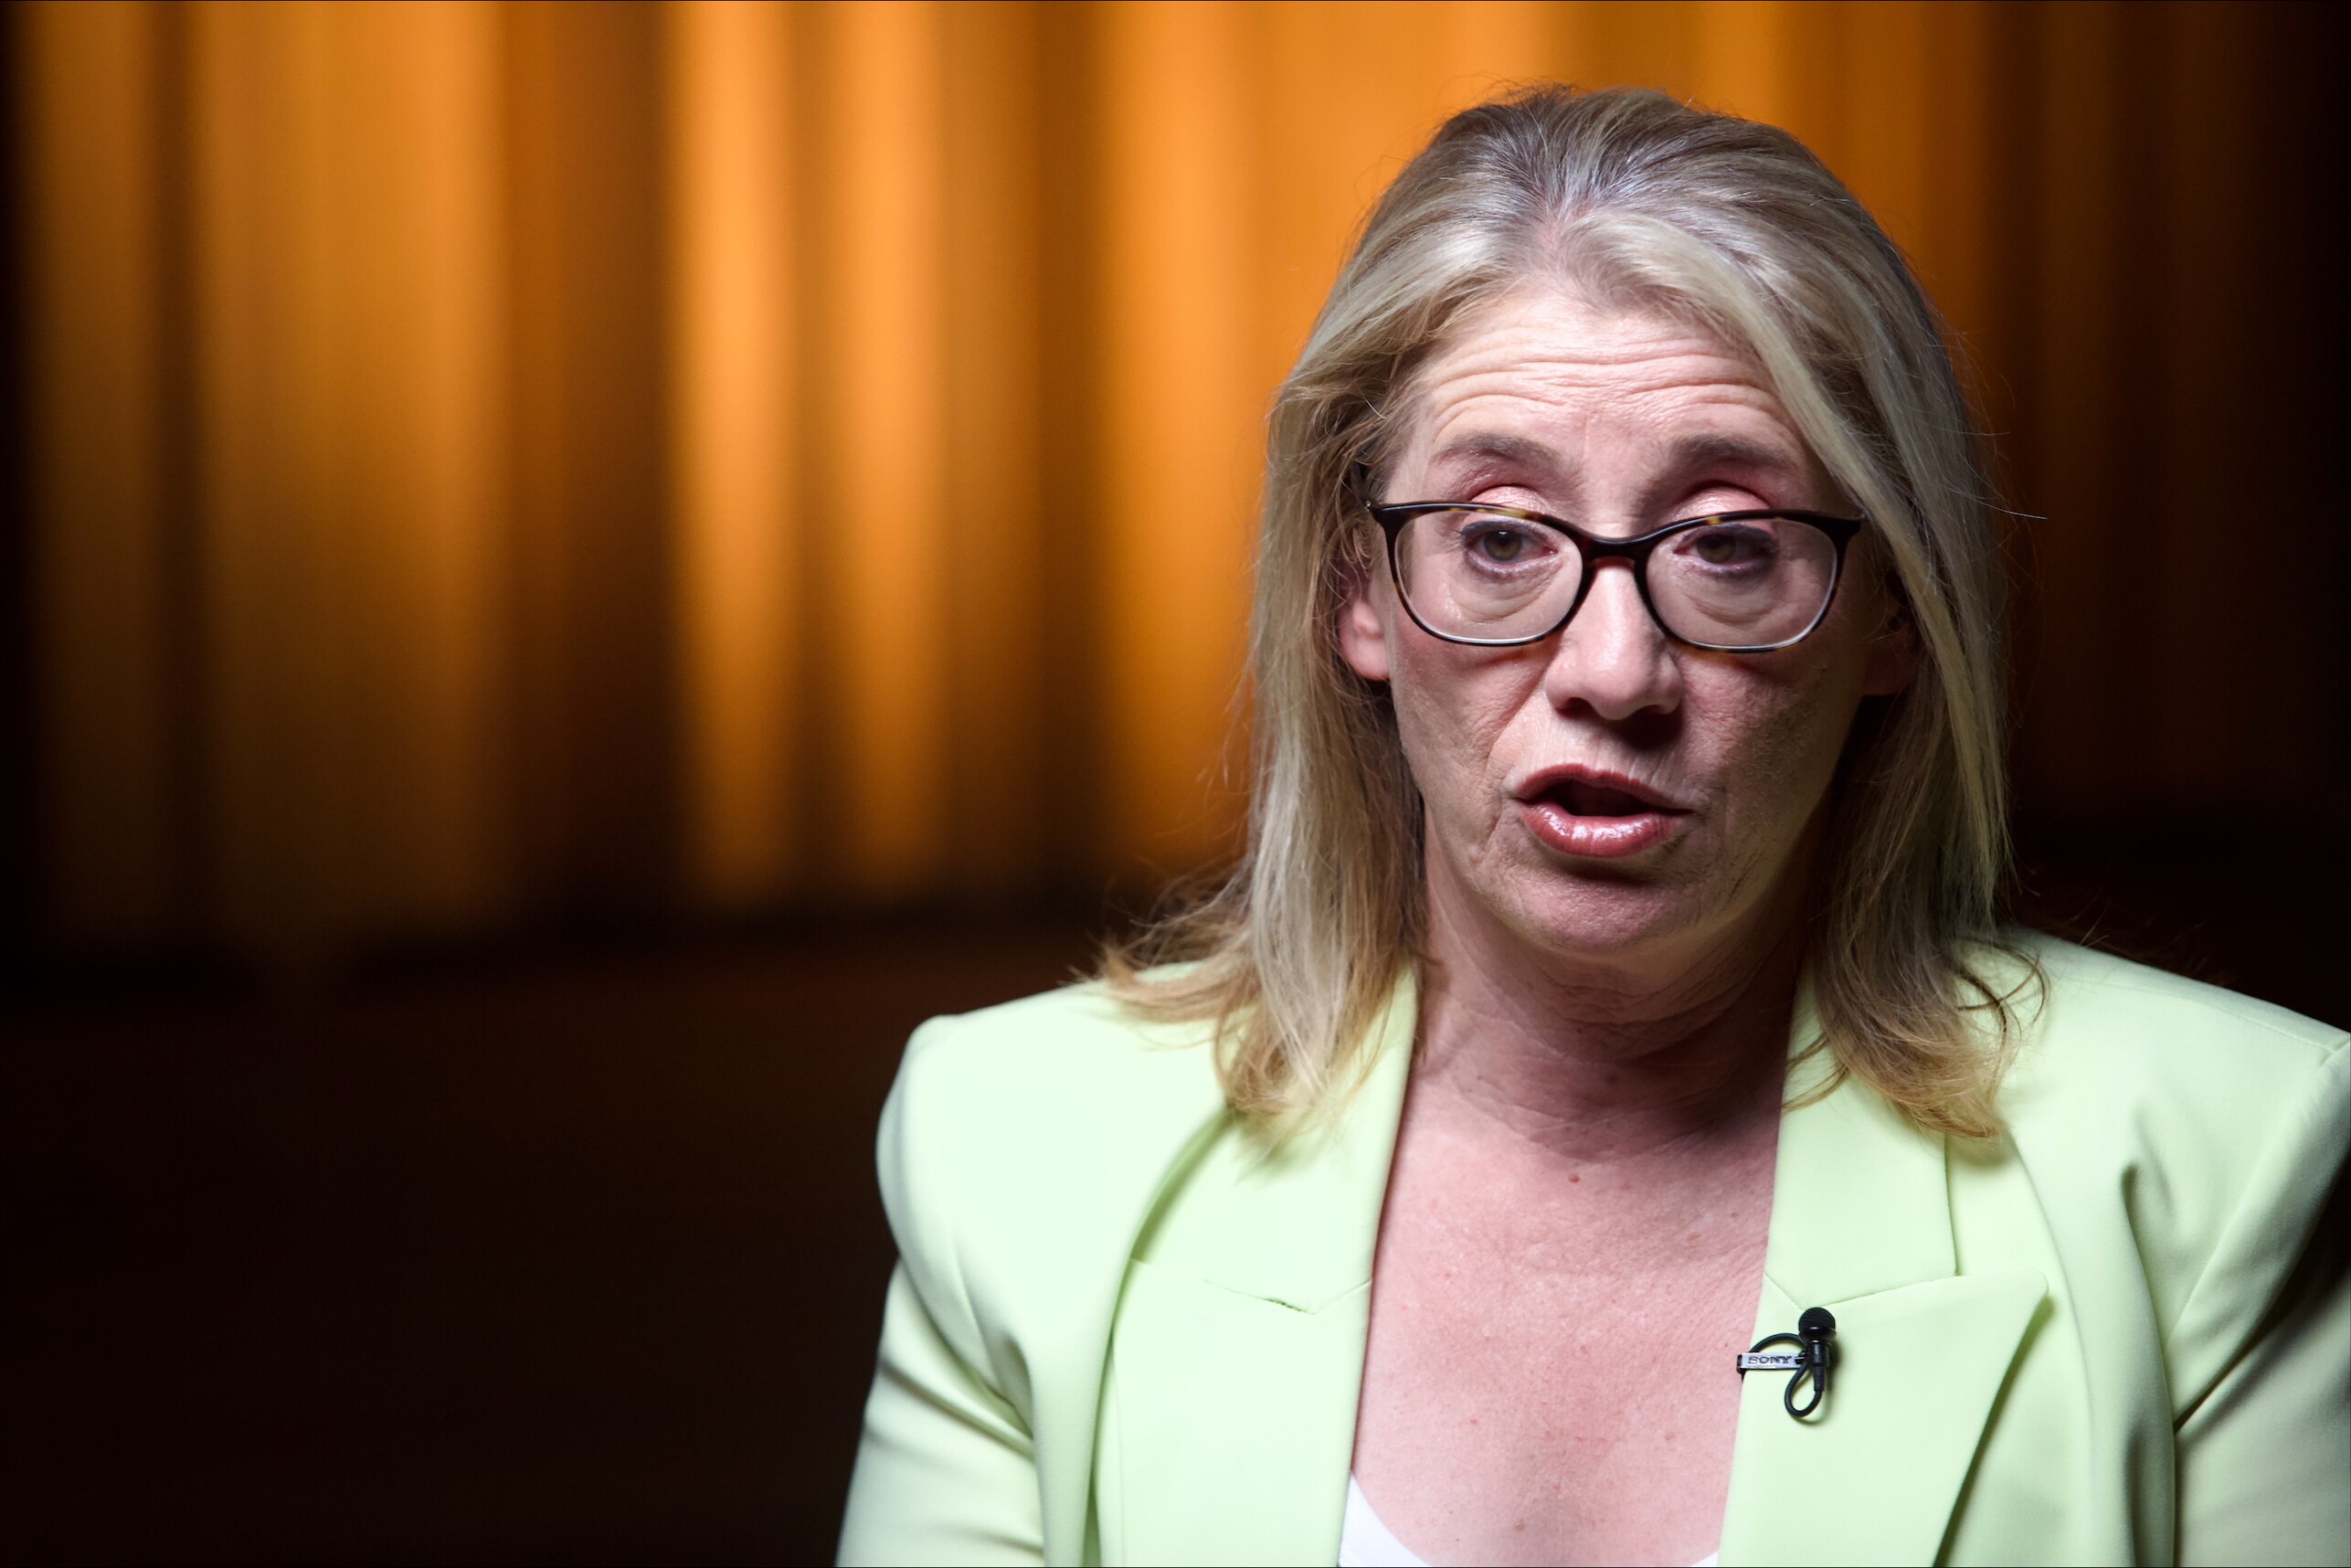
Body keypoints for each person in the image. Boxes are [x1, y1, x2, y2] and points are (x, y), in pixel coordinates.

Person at [836, 86, 2348, 1566]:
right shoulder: (1017, 1150)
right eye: (1496, 537)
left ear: (1891, 609)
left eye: (1730, 547)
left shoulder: (2220, 1167)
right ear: (1352, 590)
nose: (1612, 672)